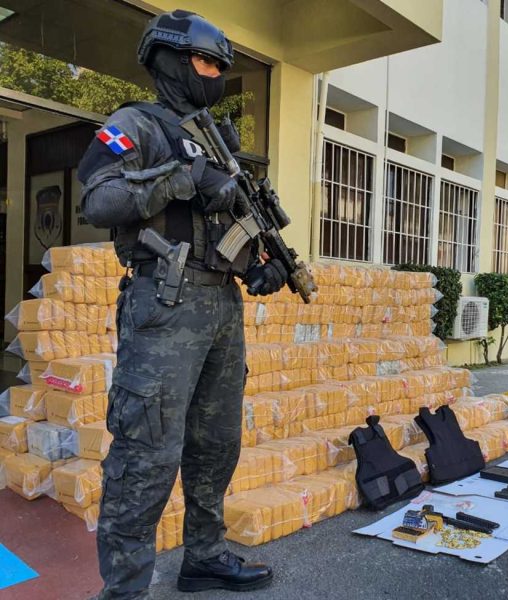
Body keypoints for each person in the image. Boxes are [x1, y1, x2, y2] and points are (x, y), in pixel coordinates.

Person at [78, 10, 287, 598]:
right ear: (169, 60)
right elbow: (99, 199)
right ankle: (124, 588)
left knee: (215, 444)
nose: (216, 73)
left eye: (223, 66)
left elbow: (222, 229)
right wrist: (181, 178)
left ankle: (205, 556)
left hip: (220, 307)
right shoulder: (135, 124)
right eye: (205, 61)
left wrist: (259, 267)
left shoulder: (216, 139)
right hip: (163, 305)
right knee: (146, 452)